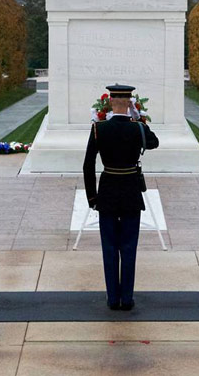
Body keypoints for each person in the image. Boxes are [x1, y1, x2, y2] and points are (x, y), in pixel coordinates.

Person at [83, 84, 159, 311]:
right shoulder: (138, 129)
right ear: (130, 103)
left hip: (106, 193)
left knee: (109, 247)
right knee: (128, 247)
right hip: (130, 192)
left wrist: (92, 197)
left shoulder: (99, 128)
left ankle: (112, 298)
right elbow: (154, 142)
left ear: (109, 103)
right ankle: (127, 298)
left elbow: (88, 165)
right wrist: (140, 119)